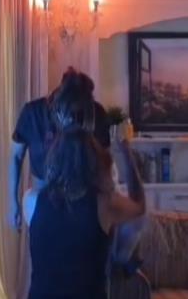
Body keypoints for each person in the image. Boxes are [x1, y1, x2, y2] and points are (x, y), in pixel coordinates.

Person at [18, 72, 145, 299]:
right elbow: (139, 207)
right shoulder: (105, 204)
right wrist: (125, 154)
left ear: (52, 160)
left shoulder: (30, 202)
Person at [9, 67, 111, 230]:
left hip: (84, 198)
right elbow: (16, 156)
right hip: (43, 196)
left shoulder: (95, 113)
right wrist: (13, 201)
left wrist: (108, 198)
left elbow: (105, 161)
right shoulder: (33, 113)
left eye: (79, 112)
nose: (74, 118)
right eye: (71, 112)